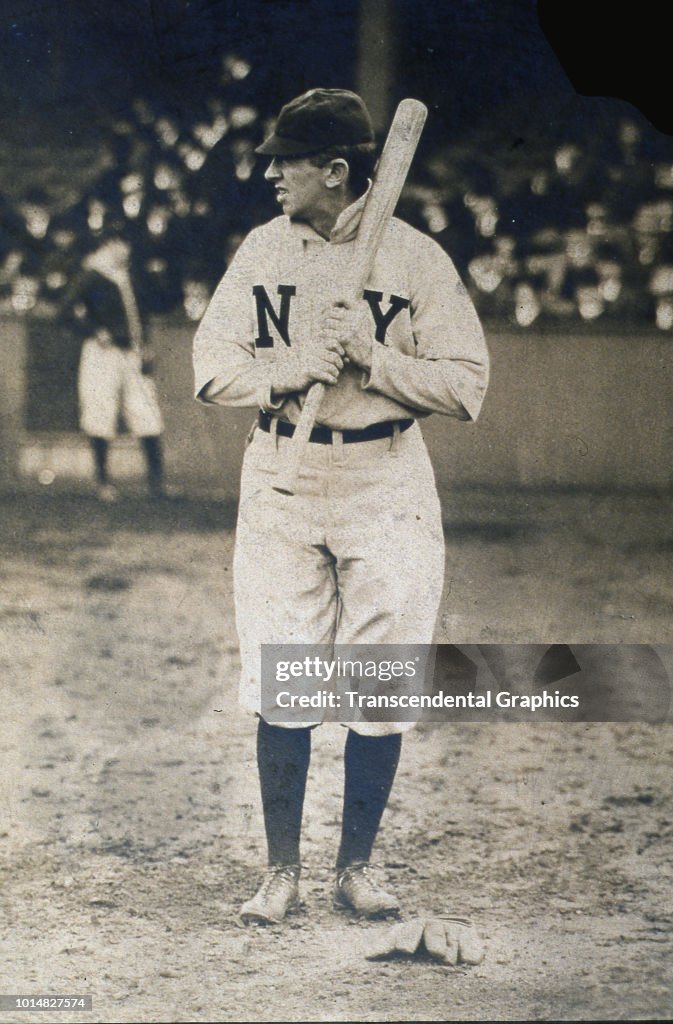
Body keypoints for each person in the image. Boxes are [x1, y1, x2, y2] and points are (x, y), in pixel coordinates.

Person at [192, 88, 489, 924]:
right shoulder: (260, 250)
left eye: (287, 161)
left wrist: (373, 356)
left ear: (335, 169)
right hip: (280, 469)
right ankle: (280, 869)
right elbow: (210, 365)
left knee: (379, 680)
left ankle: (355, 867)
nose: (273, 174)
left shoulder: (415, 258)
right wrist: (285, 367)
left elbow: (467, 386)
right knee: (282, 674)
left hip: (385, 478)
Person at [64, 231, 166, 501]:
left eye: (126, 243)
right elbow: (64, 311)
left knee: (146, 412)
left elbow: (141, 314)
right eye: (119, 244)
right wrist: (93, 330)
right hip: (102, 353)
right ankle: (103, 483)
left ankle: (157, 484)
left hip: (132, 352)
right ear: (107, 246)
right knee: (100, 413)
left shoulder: (130, 276)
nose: (124, 249)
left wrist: (145, 344)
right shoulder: (93, 275)